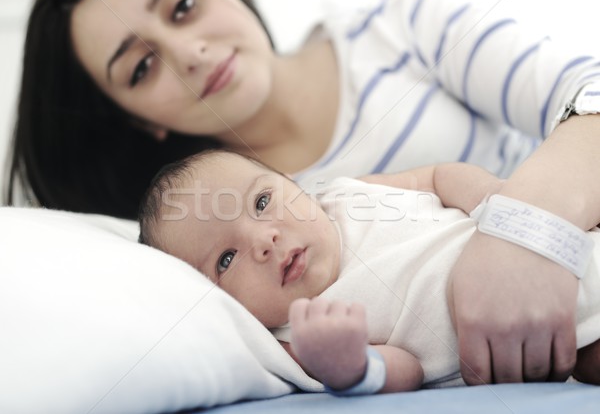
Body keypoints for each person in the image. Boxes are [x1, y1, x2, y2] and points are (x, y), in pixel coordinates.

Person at [5, 0, 600, 385]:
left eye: (184, 3)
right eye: (140, 66)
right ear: (138, 120)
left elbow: (587, 89)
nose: (189, 52)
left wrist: (522, 228)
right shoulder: (223, 260)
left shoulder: (398, 27)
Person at [137, 149, 600, 393]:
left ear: (291, 183)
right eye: (225, 260)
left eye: (262, 201)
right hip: (562, 339)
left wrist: (497, 199)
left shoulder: (346, 193)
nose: (263, 240)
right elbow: (410, 370)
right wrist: (352, 367)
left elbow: (437, 176)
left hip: (551, 242)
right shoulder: (296, 334)